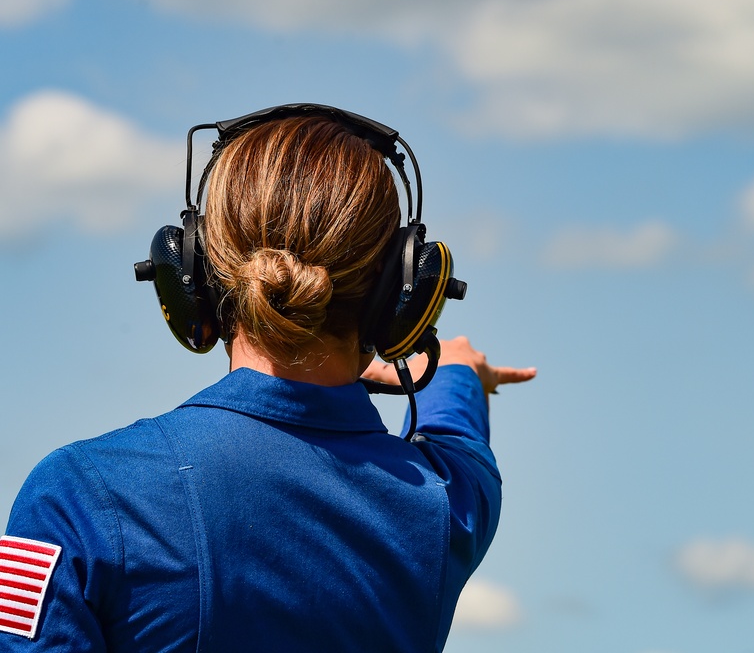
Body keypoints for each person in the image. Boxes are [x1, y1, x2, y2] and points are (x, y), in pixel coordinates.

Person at [0, 109, 535, 651]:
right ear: (406, 293)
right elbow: (457, 430)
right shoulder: (448, 504)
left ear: (193, 277)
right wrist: (455, 373)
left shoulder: (77, 496)